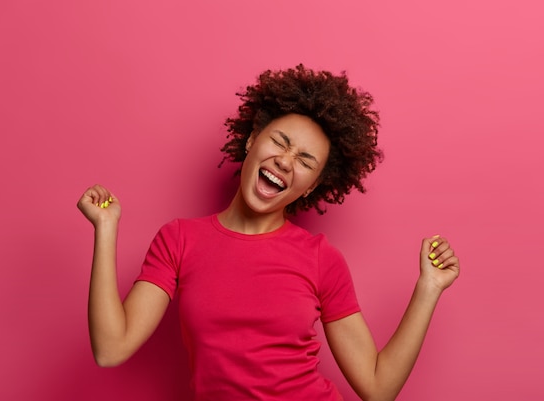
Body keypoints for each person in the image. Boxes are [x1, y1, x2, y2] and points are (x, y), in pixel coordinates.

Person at [77, 65, 460, 401]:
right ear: (251, 139)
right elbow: (111, 349)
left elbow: (378, 388)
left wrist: (428, 288)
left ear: (311, 187)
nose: (286, 161)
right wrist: (106, 229)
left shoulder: (321, 258)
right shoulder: (179, 239)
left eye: (305, 161)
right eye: (280, 142)